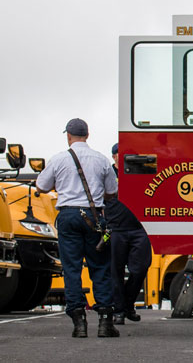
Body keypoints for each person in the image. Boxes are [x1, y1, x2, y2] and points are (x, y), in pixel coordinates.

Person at [36, 118, 119, 338]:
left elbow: (41, 186)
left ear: (68, 136)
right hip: (94, 217)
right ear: (87, 136)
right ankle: (105, 322)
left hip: (68, 215)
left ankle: (79, 322)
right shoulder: (101, 160)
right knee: (100, 267)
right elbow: (112, 192)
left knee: (72, 268)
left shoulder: (59, 159)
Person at [106, 142, 153, 325]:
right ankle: (120, 311)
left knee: (140, 268)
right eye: (118, 153)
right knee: (115, 272)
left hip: (140, 228)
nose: (121, 156)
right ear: (114, 156)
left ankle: (127, 304)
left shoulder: (140, 170)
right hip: (115, 228)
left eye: (124, 153)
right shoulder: (107, 173)